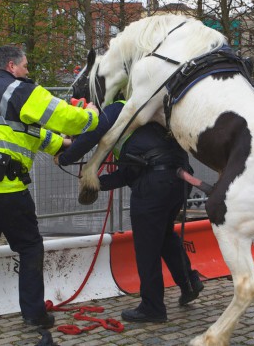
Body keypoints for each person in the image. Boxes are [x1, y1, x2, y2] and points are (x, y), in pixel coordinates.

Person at [0, 45, 99, 335]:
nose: (28, 71)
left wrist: (61, 145)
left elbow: (21, 131)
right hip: (2, 187)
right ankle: (33, 314)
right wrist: (91, 116)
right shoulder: (18, 88)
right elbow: (63, 116)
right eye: (26, 66)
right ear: (11, 66)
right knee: (30, 246)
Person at [55, 100, 204, 323]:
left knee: (147, 248)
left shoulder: (118, 108)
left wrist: (64, 158)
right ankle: (189, 282)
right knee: (164, 236)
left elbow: (89, 137)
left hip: (154, 184)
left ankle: (152, 308)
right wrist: (97, 182)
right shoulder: (146, 113)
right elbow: (130, 172)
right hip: (178, 180)